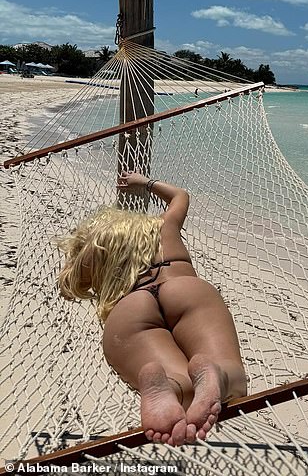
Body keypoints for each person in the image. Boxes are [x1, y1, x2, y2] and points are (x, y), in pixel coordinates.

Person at [57, 172, 247, 446]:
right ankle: (215, 373)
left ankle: (168, 387)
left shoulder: (95, 248)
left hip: (131, 307)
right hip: (184, 288)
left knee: (181, 385)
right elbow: (180, 196)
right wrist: (143, 182)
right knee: (233, 375)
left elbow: (70, 287)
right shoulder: (163, 225)